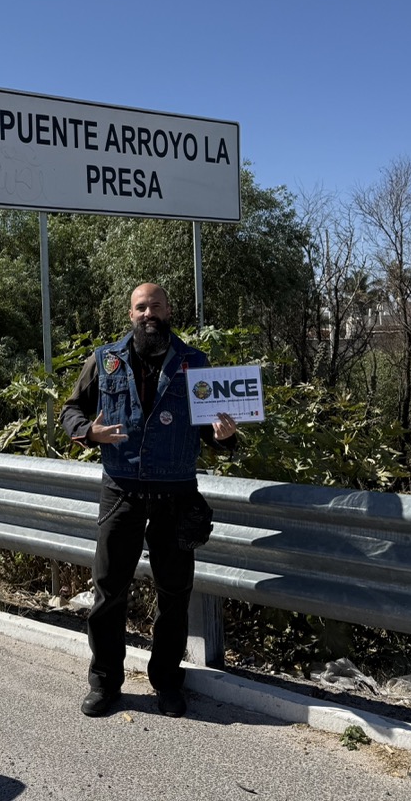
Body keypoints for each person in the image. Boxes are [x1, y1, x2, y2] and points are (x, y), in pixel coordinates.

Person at [60, 282, 238, 718]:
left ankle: (167, 683)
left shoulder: (195, 364)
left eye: (155, 305)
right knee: (107, 593)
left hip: (176, 495)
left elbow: (213, 433)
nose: (148, 313)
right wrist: (88, 432)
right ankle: (105, 683)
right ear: (130, 314)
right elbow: (70, 412)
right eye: (141, 307)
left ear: (169, 310)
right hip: (121, 491)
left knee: (174, 596)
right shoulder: (105, 361)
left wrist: (225, 437)